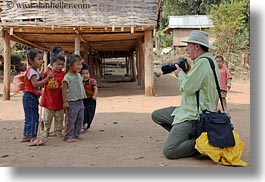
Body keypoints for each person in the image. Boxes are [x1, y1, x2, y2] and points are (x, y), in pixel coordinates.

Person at [151, 30, 219, 159]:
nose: (186, 49)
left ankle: (204, 142)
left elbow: (188, 88)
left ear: (197, 46)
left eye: (188, 45)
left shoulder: (203, 63)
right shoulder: (208, 61)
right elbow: (196, 84)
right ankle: (189, 136)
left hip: (194, 115)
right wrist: (186, 72)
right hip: (187, 110)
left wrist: (180, 74)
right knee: (157, 115)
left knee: (170, 151)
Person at [21, 48, 53, 146]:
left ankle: (27, 135)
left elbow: (37, 78)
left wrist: (42, 76)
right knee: (34, 118)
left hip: (29, 97)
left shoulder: (33, 71)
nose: (41, 61)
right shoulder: (32, 72)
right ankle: (33, 137)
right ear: (31, 60)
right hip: (30, 97)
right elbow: (35, 84)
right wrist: (46, 79)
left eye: (41, 59)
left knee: (29, 117)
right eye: (38, 59)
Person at [62, 54, 87, 142]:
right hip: (71, 102)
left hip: (80, 101)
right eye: (78, 64)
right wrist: (65, 102)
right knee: (71, 120)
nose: (80, 66)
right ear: (70, 65)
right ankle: (68, 136)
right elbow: (64, 90)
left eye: (81, 64)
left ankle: (76, 134)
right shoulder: (67, 77)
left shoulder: (79, 76)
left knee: (80, 118)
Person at [40, 54, 66, 138]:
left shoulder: (64, 74)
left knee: (59, 118)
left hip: (59, 101)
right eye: (58, 64)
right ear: (52, 64)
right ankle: (46, 131)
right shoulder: (47, 73)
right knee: (47, 118)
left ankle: (58, 131)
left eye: (62, 64)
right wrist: (43, 77)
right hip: (48, 100)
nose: (60, 66)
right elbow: (41, 80)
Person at [80, 64, 98, 131]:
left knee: (90, 112)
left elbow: (95, 88)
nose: (85, 75)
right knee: (83, 112)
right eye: (83, 73)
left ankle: (88, 124)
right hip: (83, 99)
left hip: (91, 99)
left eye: (87, 73)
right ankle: (84, 123)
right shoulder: (79, 81)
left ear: (89, 74)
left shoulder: (92, 81)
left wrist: (94, 96)